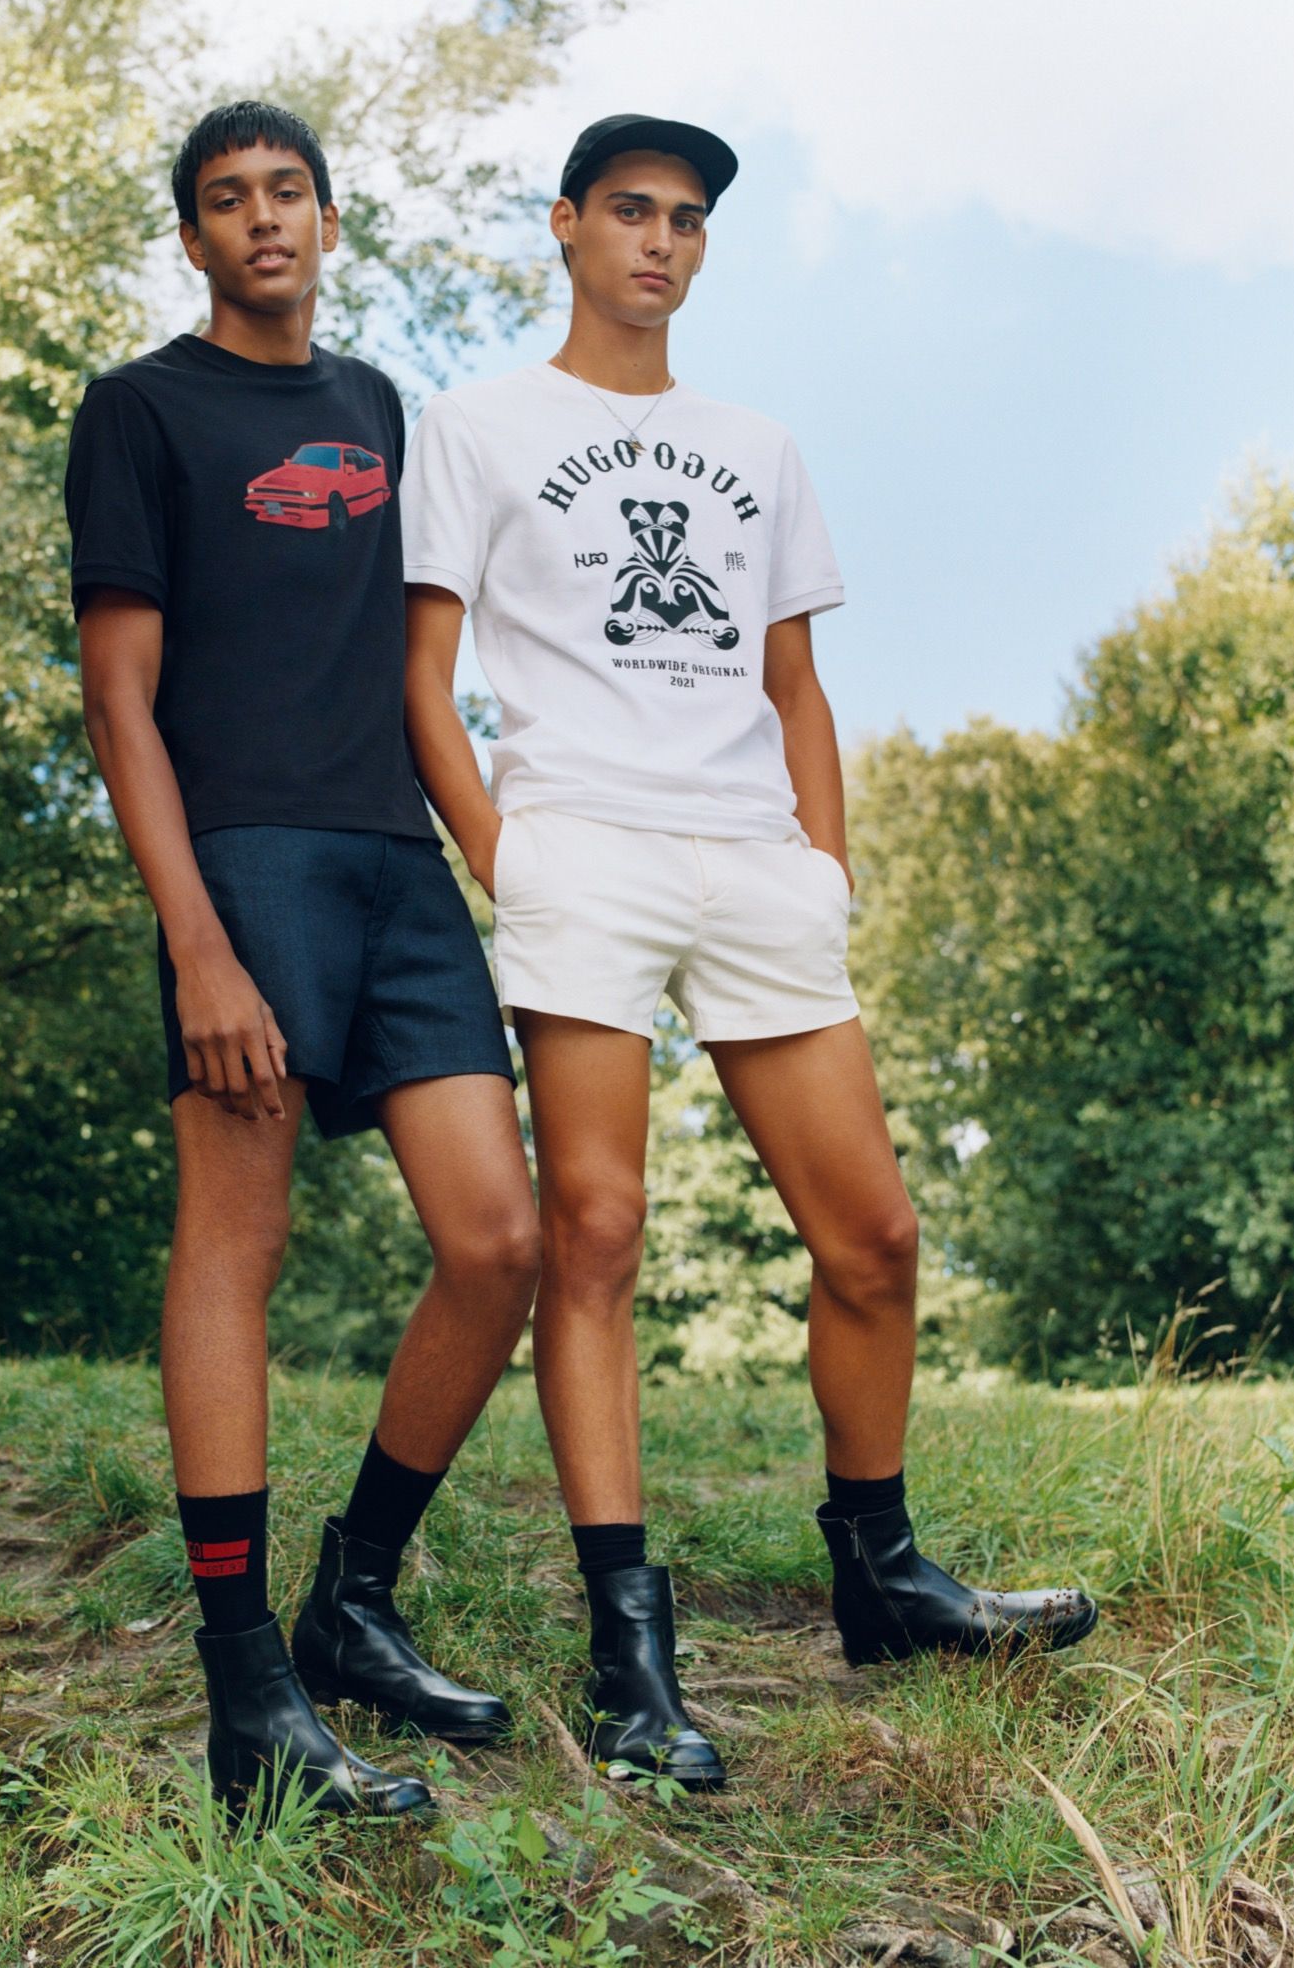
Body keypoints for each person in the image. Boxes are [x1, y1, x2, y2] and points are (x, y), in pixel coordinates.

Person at [401, 113, 1098, 1791]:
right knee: (598, 1233)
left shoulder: (757, 446)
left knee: (876, 1235)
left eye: (689, 220)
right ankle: (631, 1656)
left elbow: (794, 684)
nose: (661, 241)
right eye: (631, 211)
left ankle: (884, 1575)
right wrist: (507, 858)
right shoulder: (476, 426)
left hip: (757, 866)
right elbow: (423, 674)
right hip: (583, 852)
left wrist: (824, 870)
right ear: (567, 225)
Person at [64, 101, 542, 1824]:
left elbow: (422, 669)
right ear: (192, 239)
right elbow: (119, 701)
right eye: (225, 200)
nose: (261, 218)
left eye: (287, 192)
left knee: (502, 1242)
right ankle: (246, 1686)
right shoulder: (140, 411)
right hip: (246, 859)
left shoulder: (378, 410)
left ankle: (354, 1597)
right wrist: (196, 941)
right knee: (236, 1243)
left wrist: (505, 869)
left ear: (330, 223)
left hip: (396, 863)